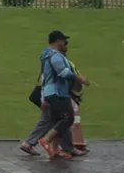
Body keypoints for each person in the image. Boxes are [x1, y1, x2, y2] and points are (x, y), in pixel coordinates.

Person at [37, 31, 90, 159]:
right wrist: (79, 78)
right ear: (57, 41)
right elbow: (63, 72)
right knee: (68, 118)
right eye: (63, 41)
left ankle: (55, 150)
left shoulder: (48, 55)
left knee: (58, 120)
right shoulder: (54, 56)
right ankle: (46, 140)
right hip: (58, 93)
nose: (64, 43)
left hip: (51, 93)